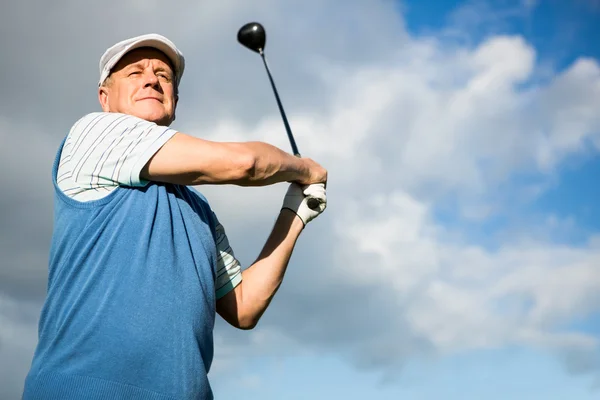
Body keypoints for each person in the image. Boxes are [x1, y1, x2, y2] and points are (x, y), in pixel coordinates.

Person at [22, 33, 327, 400]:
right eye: (135, 72)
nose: (152, 78)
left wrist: (296, 213)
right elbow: (245, 164)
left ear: (175, 101)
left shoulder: (198, 209)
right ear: (105, 98)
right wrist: (303, 168)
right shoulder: (93, 134)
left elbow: (244, 306)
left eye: (164, 76)